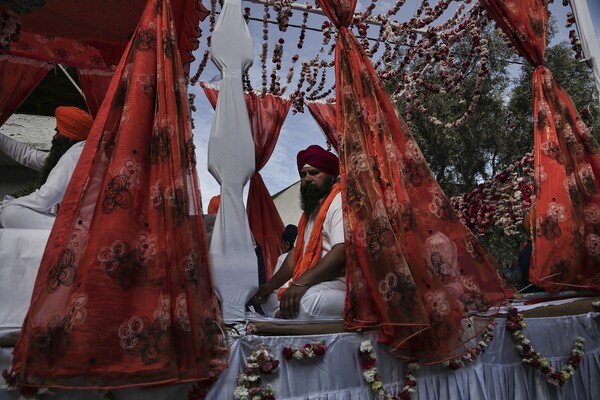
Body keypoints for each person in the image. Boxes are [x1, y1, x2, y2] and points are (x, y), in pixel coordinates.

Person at [252, 144, 346, 320]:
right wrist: (270, 285)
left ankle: (286, 316)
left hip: (338, 284)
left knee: (306, 302)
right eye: (303, 174)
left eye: (314, 173)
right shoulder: (309, 214)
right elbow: (294, 257)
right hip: (310, 282)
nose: (307, 178)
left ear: (331, 176)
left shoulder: (339, 201)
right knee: (268, 297)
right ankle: (287, 315)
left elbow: (341, 252)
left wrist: (301, 283)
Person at [0, 106, 94, 229]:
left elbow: (45, 198)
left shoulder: (74, 156)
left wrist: (6, 206)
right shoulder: (73, 152)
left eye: (57, 131)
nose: (54, 136)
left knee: (9, 214)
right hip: (73, 221)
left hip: (78, 228)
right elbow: (28, 155)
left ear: (70, 136)